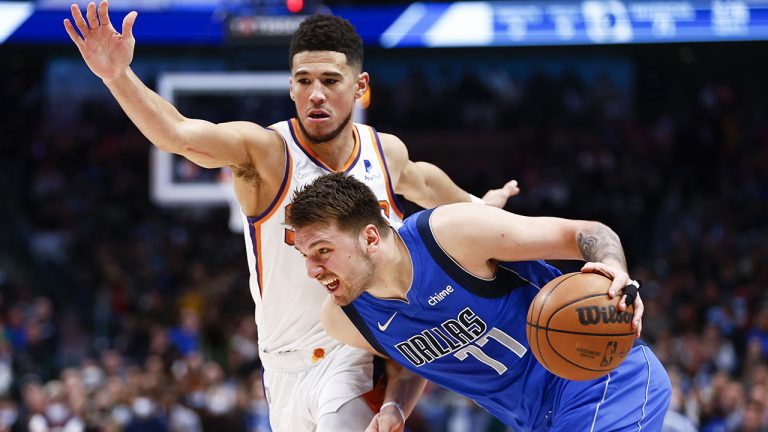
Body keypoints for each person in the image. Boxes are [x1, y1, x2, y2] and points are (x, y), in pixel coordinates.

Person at [63, 2, 520, 431]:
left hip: (356, 352)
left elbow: (424, 182)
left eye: (330, 80)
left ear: (360, 86)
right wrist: (117, 75)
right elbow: (179, 135)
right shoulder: (268, 154)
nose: (315, 93)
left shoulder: (386, 152)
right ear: (290, 87)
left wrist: (478, 206)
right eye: (303, 81)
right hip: (280, 366)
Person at [287, 173, 672, 432]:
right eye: (305, 255)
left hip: (604, 379)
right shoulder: (345, 319)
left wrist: (614, 269)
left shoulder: (451, 235)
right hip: (538, 420)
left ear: (370, 238)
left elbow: (587, 233)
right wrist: (395, 407)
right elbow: (409, 363)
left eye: (322, 250)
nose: (312, 270)